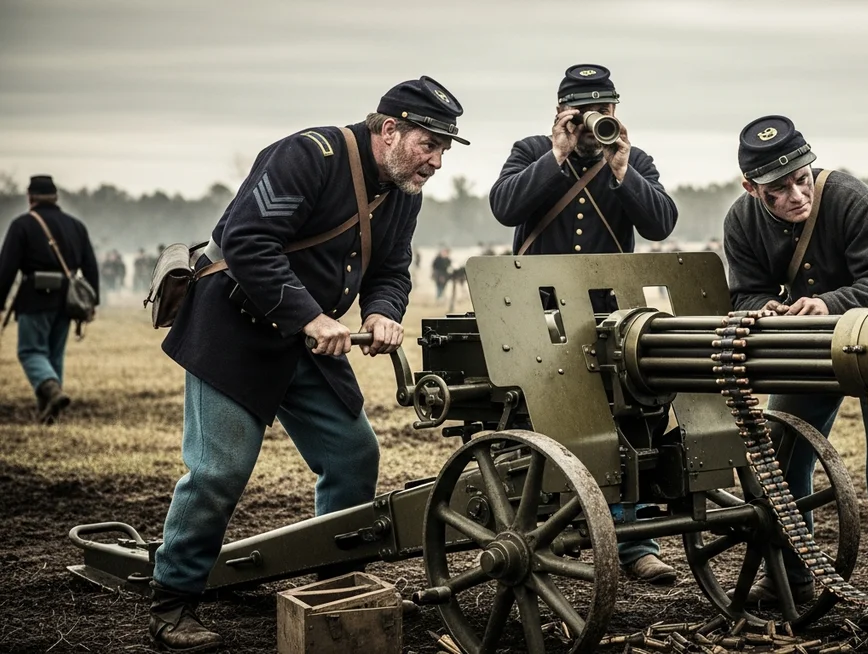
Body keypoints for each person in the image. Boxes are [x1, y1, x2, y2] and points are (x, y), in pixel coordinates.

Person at [149, 76, 467, 652]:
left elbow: (392, 268)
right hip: (235, 330)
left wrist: (383, 312)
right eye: (429, 144)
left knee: (353, 455)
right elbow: (248, 240)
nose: (437, 162)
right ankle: (173, 600)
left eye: (444, 149)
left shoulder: (404, 194)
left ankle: (337, 587)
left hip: (309, 341)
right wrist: (311, 317)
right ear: (389, 130)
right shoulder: (309, 155)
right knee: (218, 472)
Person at [723, 115, 868, 613]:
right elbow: (744, 293)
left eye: (802, 178)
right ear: (751, 188)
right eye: (778, 190)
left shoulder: (850, 198)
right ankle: (790, 581)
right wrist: (764, 309)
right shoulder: (741, 221)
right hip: (811, 344)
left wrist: (828, 303)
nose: (797, 195)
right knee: (781, 452)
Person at [488, 63, 679, 585]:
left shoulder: (634, 160)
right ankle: (544, 532)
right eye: (585, 109)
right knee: (544, 419)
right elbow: (505, 208)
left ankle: (635, 542)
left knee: (636, 414)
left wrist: (621, 170)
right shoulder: (532, 152)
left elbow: (661, 224)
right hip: (539, 313)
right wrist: (557, 153)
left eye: (605, 108)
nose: (597, 118)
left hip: (610, 315)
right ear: (561, 111)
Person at [0, 175, 100, 424]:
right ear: (55, 197)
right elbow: (90, 265)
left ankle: (53, 392)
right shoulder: (75, 225)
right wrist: (92, 302)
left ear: (30, 197)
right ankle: (48, 413)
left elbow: (6, 267)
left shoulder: (22, 224)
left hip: (34, 298)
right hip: (66, 300)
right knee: (54, 355)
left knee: (31, 351)